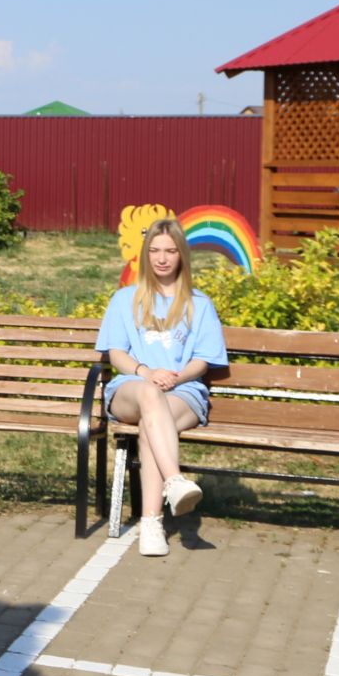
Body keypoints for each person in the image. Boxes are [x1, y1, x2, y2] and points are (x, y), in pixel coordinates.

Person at [97, 217, 229, 557]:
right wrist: (146, 371)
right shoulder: (125, 299)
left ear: (182, 255)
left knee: (149, 426)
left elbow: (203, 360)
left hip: (183, 393)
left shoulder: (199, 304)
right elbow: (116, 354)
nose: (162, 258)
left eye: (170, 251)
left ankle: (152, 523)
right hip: (133, 387)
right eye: (154, 250)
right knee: (149, 396)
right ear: (146, 254)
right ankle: (174, 481)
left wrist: (177, 377)